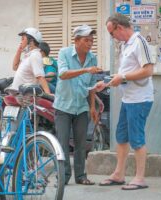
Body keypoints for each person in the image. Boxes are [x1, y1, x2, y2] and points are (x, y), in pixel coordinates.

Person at [99, 13, 154, 190]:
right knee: (121, 137)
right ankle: (119, 174)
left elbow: (148, 71)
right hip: (128, 98)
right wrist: (107, 81)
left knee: (136, 138)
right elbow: (126, 73)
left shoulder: (139, 42)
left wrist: (122, 76)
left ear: (119, 28)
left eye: (111, 33)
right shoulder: (125, 45)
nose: (112, 37)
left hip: (140, 99)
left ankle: (139, 178)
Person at [53, 24, 106, 185]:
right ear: (76, 40)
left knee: (81, 144)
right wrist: (86, 70)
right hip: (63, 106)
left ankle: (81, 176)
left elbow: (90, 86)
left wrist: (92, 107)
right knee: (62, 144)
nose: (90, 44)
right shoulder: (64, 53)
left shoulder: (92, 57)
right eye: (86, 40)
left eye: (91, 40)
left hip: (82, 107)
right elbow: (62, 74)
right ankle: (63, 177)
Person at [10, 27, 51, 94]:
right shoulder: (28, 56)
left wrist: (48, 94)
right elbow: (15, 67)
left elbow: (40, 76)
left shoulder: (35, 55)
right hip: (18, 95)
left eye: (23, 39)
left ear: (31, 41)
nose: (21, 42)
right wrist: (19, 50)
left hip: (25, 97)